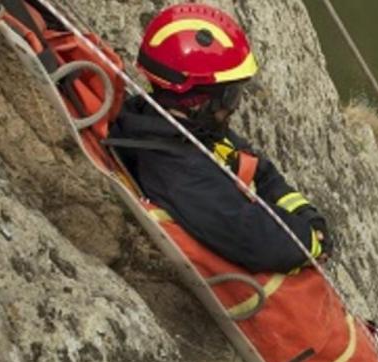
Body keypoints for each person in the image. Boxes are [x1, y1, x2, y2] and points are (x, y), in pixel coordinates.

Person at [111, 3, 331, 273]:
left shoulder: (181, 128)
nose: (235, 107)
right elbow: (258, 240)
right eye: (231, 95)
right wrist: (311, 241)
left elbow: (257, 167)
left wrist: (306, 213)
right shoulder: (180, 174)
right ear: (197, 101)